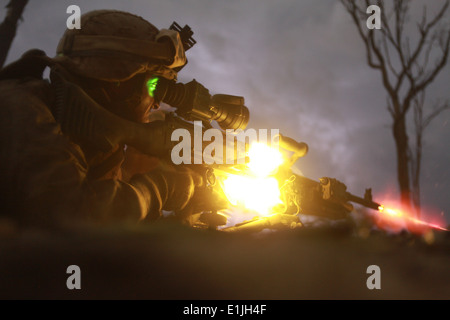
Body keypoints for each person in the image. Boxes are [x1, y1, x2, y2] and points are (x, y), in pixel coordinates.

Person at [0, 10, 214, 228]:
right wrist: (158, 189)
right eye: (154, 87)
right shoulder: (18, 109)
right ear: (117, 83)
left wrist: (181, 221)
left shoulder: (88, 142)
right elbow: (72, 217)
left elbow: (106, 237)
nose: (157, 103)